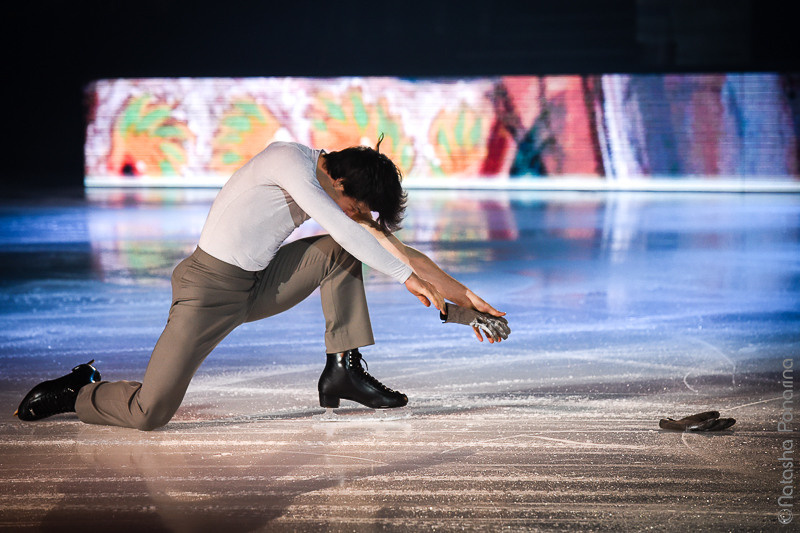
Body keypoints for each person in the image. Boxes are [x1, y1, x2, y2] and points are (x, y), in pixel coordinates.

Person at [15, 137, 510, 430]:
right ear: (340, 186)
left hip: (259, 284)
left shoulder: (336, 188)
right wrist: (402, 278)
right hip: (206, 291)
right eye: (358, 206)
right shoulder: (288, 163)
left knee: (344, 251)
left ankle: (343, 368)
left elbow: (388, 244)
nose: (360, 216)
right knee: (150, 413)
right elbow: (345, 229)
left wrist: (461, 298)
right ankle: (80, 390)